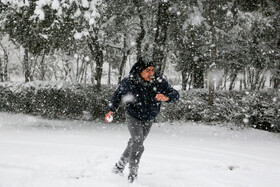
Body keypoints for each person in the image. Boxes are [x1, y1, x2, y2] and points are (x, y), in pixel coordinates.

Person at [105, 57, 179, 183]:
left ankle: (118, 167)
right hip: (133, 116)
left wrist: (166, 97)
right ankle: (132, 176)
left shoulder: (159, 81)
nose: (151, 73)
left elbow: (175, 95)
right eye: (148, 70)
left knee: (134, 143)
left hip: (149, 117)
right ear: (140, 71)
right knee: (138, 142)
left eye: (153, 70)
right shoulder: (129, 82)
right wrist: (111, 110)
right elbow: (117, 96)